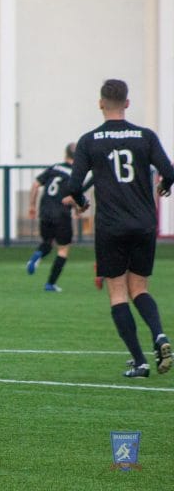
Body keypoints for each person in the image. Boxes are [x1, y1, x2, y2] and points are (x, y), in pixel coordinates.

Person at [65, 78, 174, 378]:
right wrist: (165, 185)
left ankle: (139, 361)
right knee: (139, 287)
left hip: (111, 226)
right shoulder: (145, 136)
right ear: (127, 103)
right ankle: (160, 336)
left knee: (117, 292)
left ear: (101, 103)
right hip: (143, 223)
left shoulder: (89, 140)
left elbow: (74, 185)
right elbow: (169, 171)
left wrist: (81, 202)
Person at [25, 143, 92, 292]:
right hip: (62, 213)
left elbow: (36, 185)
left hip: (45, 211)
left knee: (47, 243)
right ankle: (50, 284)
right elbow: (73, 195)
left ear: (65, 155)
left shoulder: (54, 168)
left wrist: (31, 206)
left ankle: (37, 256)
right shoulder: (76, 174)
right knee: (63, 250)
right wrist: (78, 209)